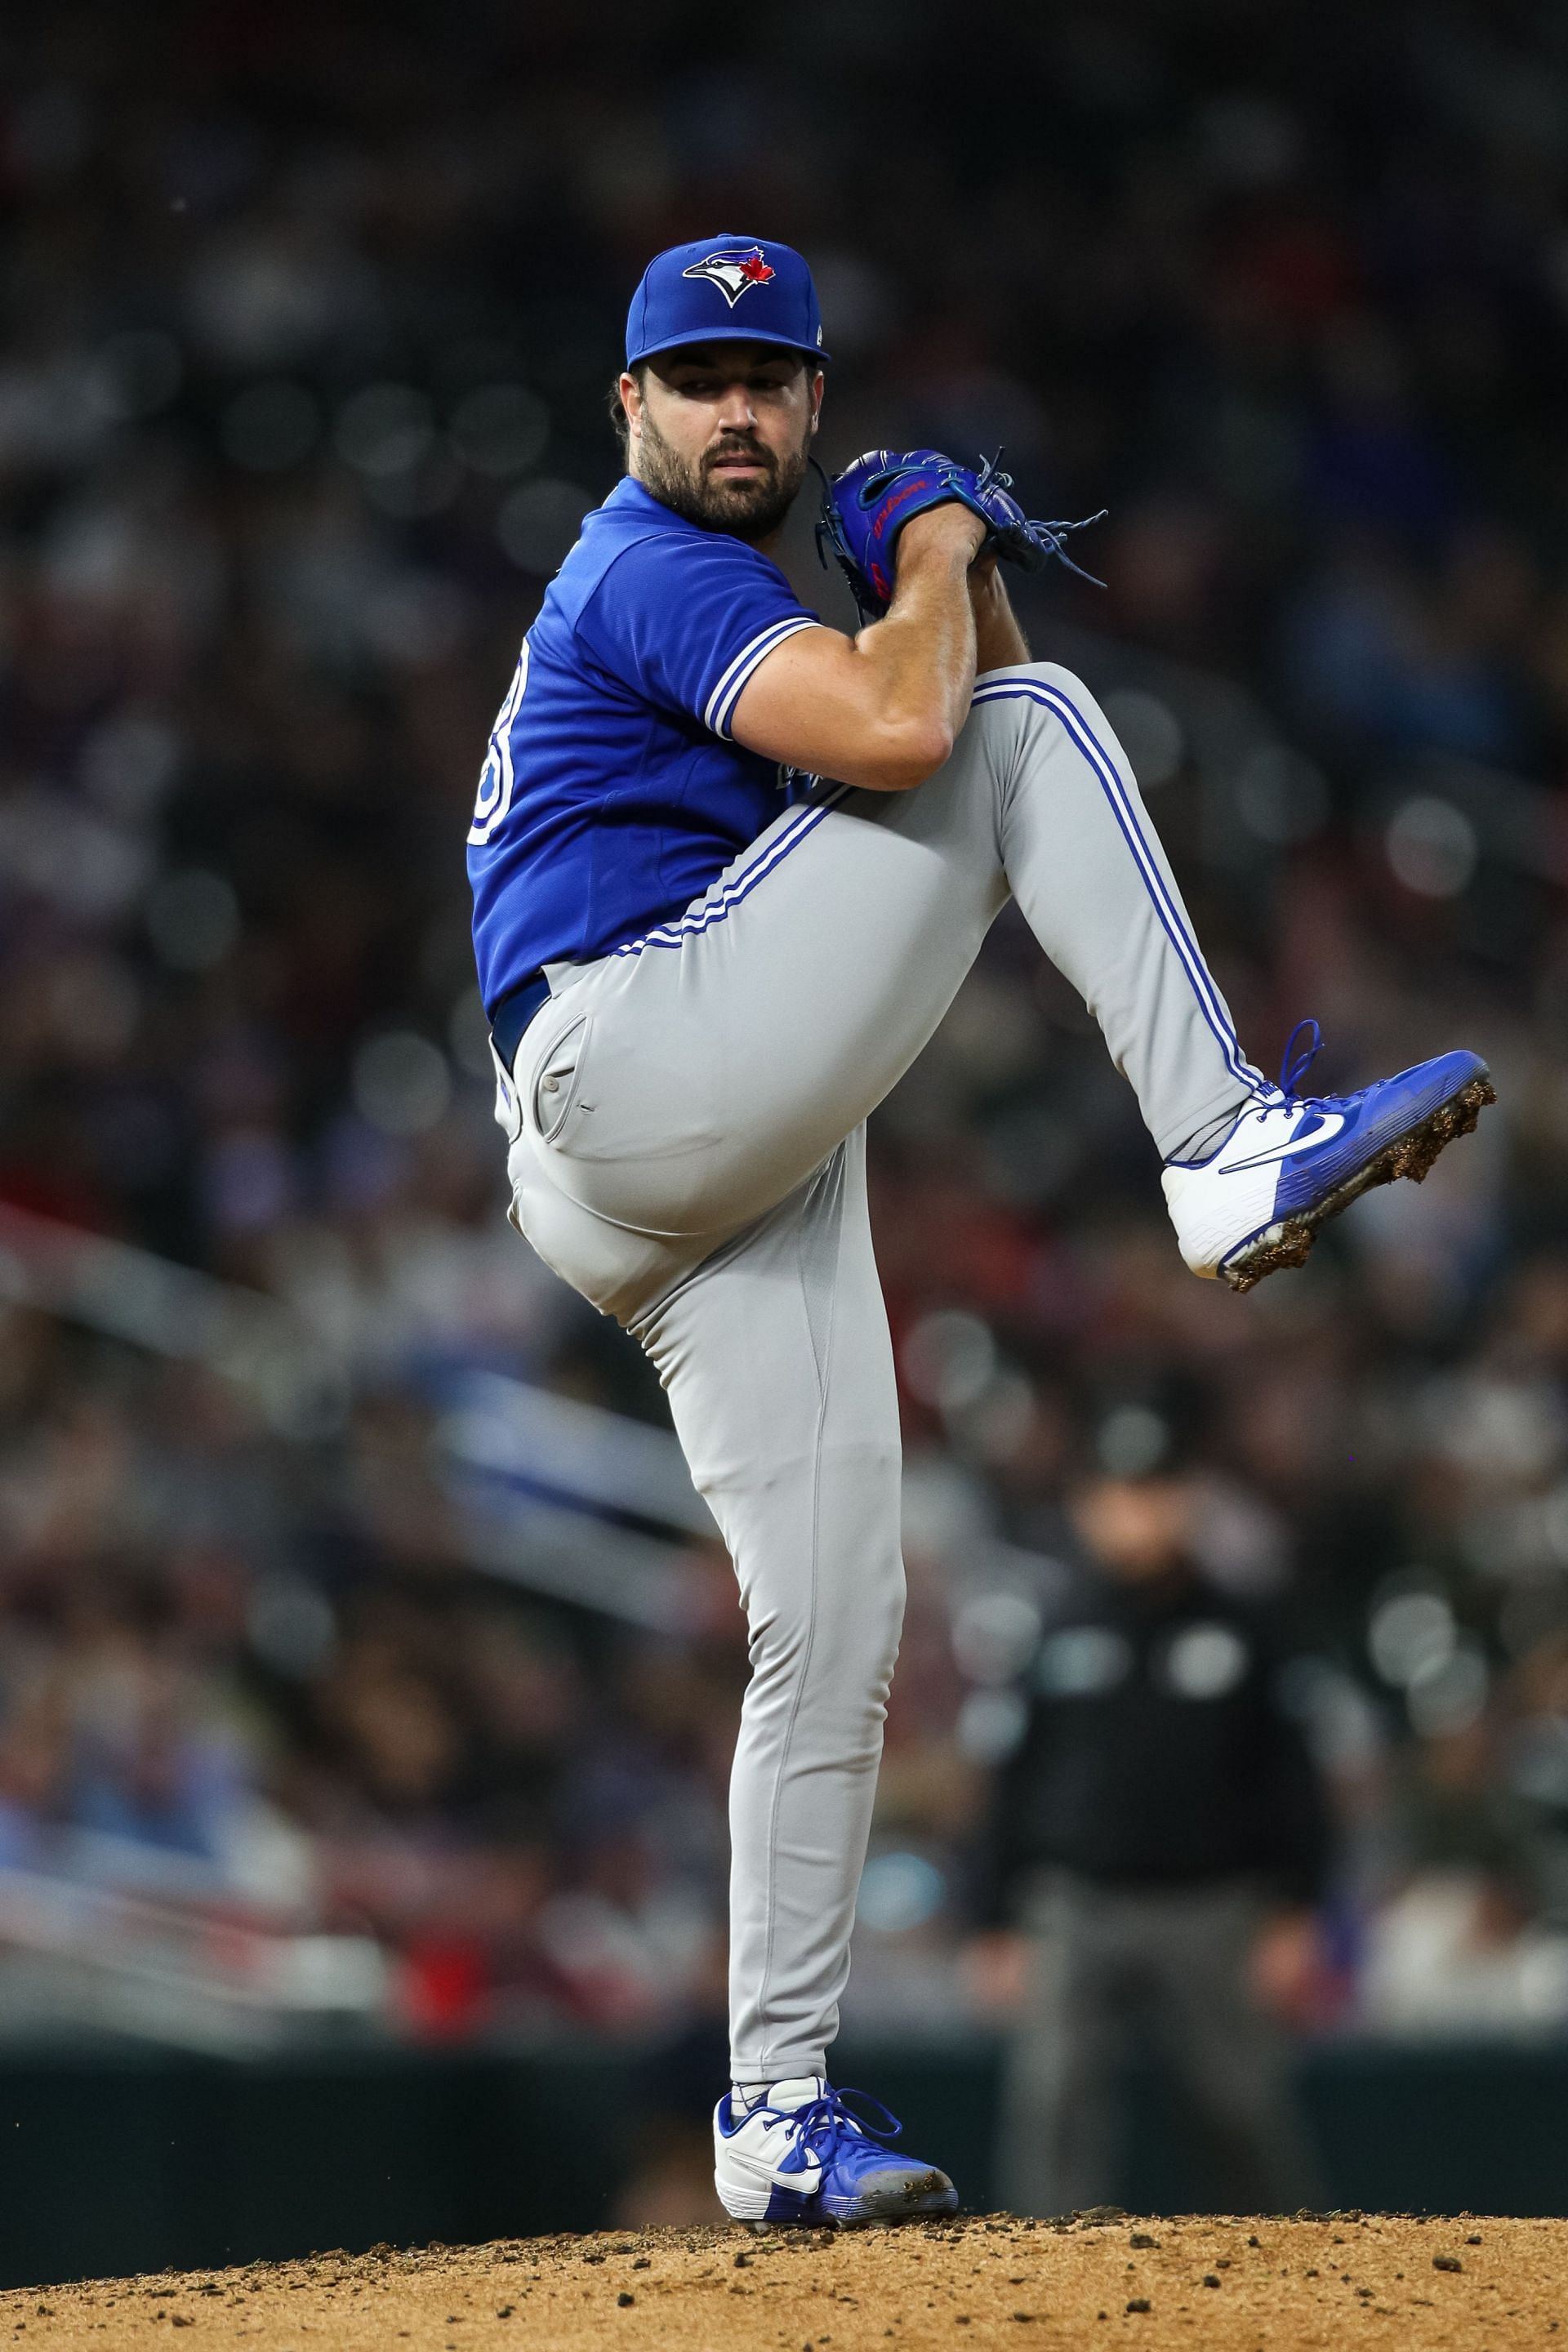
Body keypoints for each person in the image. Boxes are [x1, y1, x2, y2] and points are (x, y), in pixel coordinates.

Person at [465, 233, 1490, 2228]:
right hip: (637, 1053)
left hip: (689, 1139)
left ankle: (769, 2115)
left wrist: (955, 568)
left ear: (812, 397)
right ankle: (1218, 1141)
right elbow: (941, 739)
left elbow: (968, 711)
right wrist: (927, 548)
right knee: (1020, 734)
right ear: (631, 409)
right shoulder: (652, 562)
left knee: (834, 1630)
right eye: (697, 376)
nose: (736, 408)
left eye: (771, 375)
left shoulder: (724, 574)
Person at [967, 1428, 1330, 2216]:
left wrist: (1297, 1908)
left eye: (1158, 1492)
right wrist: (993, 1919)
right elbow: (1011, 1782)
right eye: (1122, 1495)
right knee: (1054, 2102)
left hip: (1214, 1904)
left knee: (1239, 2105)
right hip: (1075, 1902)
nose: (1140, 1515)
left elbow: (1294, 1779)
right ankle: (1047, 2293)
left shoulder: (1247, 1628)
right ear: (1088, 1507)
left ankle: (1287, 2280)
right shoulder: (1054, 1626)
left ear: (1191, 1499)